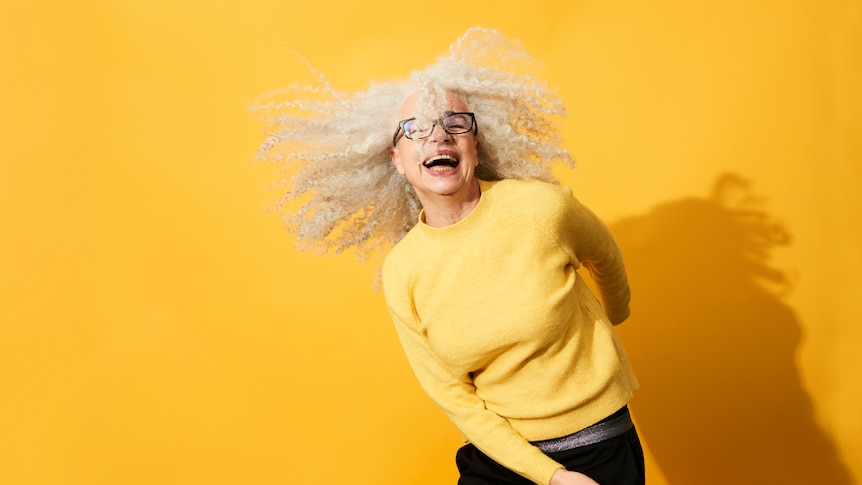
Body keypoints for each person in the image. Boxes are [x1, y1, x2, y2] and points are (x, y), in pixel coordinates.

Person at [255, 28, 644, 485]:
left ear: (475, 146)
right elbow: (453, 396)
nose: (437, 137)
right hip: (501, 458)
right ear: (396, 159)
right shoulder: (404, 270)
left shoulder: (541, 209)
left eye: (455, 124)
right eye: (415, 130)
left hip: (597, 447)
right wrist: (552, 477)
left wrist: (614, 317)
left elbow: (605, 255)